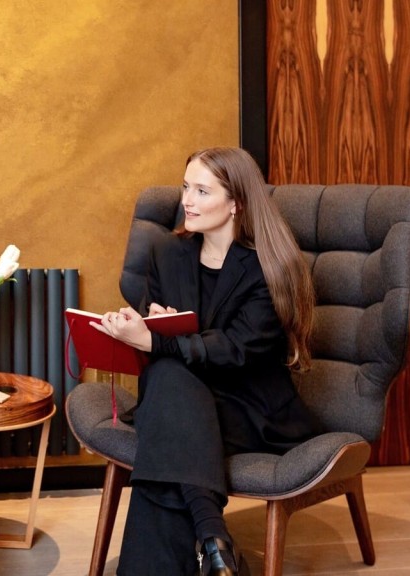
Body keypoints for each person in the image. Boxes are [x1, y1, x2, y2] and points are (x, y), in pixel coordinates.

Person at [93, 147, 320, 575]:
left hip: (249, 406)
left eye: (201, 190)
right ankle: (214, 543)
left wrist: (159, 342)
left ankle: (208, 535)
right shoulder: (167, 253)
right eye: (185, 188)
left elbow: (236, 348)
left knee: (167, 399)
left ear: (236, 203)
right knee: (169, 382)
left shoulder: (269, 266)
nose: (187, 201)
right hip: (181, 397)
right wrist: (145, 328)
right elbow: (155, 332)